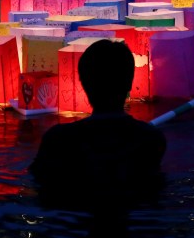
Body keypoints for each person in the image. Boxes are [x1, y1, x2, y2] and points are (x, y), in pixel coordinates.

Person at [29, 39, 167, 211]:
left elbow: (38, 185)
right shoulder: (151, 139)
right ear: (130, 82)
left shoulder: (59, 139)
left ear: (83, 83)